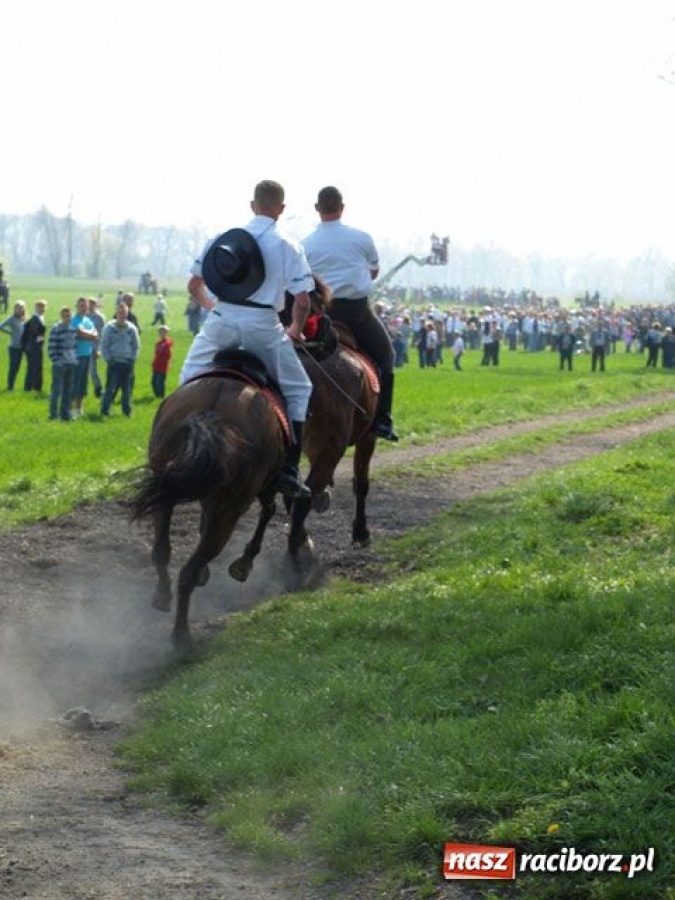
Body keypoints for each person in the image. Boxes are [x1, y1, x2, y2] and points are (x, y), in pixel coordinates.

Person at [179, 179, 314, 498]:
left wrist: (214, 308)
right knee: (299, 388)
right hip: (263, 325)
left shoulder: (220, 238)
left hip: (222, 320)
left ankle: (179, 446)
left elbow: (193, 287)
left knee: (188, 377)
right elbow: (304, 302)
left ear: (252, 205)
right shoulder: (288, 244)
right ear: (281, 209)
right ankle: (290, 470)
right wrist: (294, 329)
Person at [302, 186, 398, 441]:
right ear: (342, 207)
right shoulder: (362, 238)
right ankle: (383, 419)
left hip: (320, 315)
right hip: (357, 314)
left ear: (317, 208)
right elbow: (373, 272)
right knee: (387, 356)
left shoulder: (304, 244)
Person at [100, 301, 141, 417]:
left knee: (127, 390)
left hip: (127, 363)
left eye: (124, 313)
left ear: (127, 314)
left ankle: (127, 411)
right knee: (110, 388)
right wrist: (108, 358)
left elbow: (136, 345)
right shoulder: (109, 328)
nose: (122, 315)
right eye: (120, 312)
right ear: (116, 313)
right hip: (114, 362)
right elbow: (104, 345)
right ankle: (105, 410)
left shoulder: (132, 329)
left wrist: (132, 358)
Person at [47, 306, 78, 420]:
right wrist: (57, 361)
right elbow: (51, 347)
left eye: (69, 315)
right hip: (60, 365)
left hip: (71, 363)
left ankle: (65, 414)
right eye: (65, 316)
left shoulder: (72, 329)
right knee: (56, 391)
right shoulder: (56, 329)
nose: (67, 318)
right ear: (61, 316)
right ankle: (53, 415)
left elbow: (74, 346)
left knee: (67, 391)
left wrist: (75, 359)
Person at [70, 296, 98, 418]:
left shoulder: (88, 320)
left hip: (87, 355)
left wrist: (90, 335)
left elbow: (95, 333)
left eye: (85, 306)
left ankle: (79, 409)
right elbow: (79, 332)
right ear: (77, 307)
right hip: (76, 356)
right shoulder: (74, 320)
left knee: (83, 383)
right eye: (81, 306)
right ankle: (70, 410)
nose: (83, 308)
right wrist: (90, 335)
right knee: (74, 383)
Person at [0, 300, 27, 390]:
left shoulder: (24, 318)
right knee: (13, 367)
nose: (20, 309)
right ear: (15, 309)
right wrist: (10, 332)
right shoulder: (11, 319)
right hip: (13, 347)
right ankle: (10, 387)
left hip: (21, 347)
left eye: (21, 308)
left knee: (17, 368)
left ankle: (12, 385)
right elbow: (1, 326)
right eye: (18, 308)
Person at [22, 299, 47, 391]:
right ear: (36, 308)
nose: (42, 309)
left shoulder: (38, 318)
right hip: (34, 347)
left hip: (32, 346)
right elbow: (36, 334)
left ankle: (32, 387)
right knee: (34, 367)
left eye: (44, 307)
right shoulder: (36, 319)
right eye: (40, 307)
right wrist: (40, 342)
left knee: (33, 367)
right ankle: (32, 387)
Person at [87, 296, 106, 398]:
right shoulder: (83, 316)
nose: (90, 306)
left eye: (92, 303)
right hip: (81, 347)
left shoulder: (99, 317)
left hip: (93, 347)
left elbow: (102, 334)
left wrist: (98, 349)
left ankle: (98, 388)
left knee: (92, 371)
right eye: (88, 303)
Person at [151, 325, 173, 398]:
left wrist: (163, 360)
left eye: (164, 332)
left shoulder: (167, 343)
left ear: (167, 333)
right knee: (153, 382)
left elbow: (168, 355)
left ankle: (161, 395)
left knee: (160, 382)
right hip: (156, 365)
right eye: (160, 332)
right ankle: (156, 395)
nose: (162, 334)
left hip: (163, 366)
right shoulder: (158, 343)